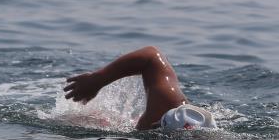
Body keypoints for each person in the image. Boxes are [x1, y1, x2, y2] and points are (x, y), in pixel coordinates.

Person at [64, 46, 217, 131]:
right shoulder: (168, 104)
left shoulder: (153, 138)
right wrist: (97, 80)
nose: (155, 123)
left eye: (159, 123)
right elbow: (151, 56)